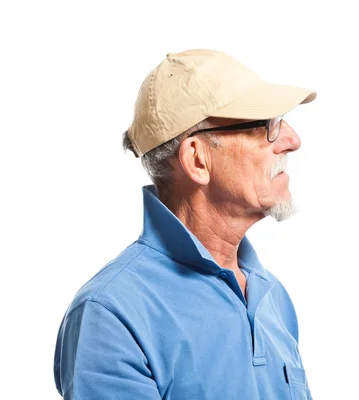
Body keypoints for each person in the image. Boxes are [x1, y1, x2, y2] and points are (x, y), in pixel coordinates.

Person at [54, 49, 317, 399]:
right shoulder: (111, 315)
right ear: (197, 159)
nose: (292, 140)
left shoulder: (271, 296)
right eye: (264, 125)